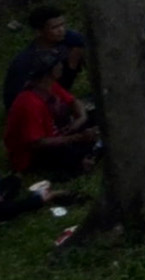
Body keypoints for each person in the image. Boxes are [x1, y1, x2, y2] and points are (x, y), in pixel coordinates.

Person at [5, 37, 97, 188]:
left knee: (93, 115)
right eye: (58, 64)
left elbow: (74, 101)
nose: (61, 66)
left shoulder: (50, 86)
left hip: (57, 133)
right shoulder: (29, 103)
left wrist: (80, 119)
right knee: (71, 151)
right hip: (33, 154)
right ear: (49, 72)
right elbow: (37, 143)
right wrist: (76, 138)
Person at [4, 6, 78, 107]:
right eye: (55, 27)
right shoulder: (25, 62)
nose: (61, 30)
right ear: (39, 31)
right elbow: (16, 100)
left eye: (62, 25)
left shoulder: (64, 45)